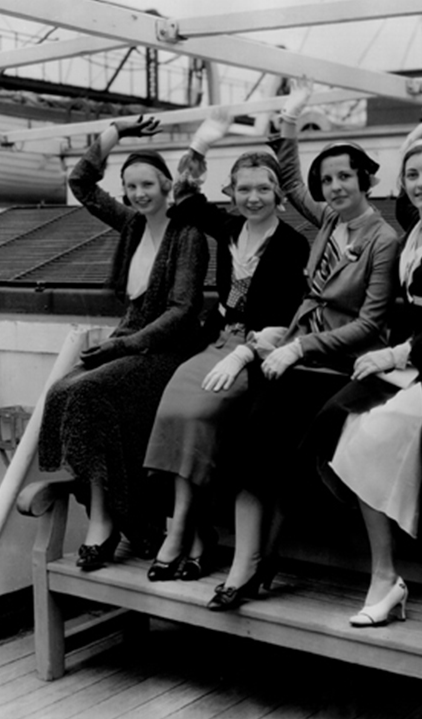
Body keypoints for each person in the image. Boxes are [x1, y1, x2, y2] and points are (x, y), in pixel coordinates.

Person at [206, 79, 400, 612]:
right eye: (328, 179)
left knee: (269, 434)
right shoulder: (330, 221)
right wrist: (290, 120)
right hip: (298, 350)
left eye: (345, 177)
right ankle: (249, 562)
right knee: (254, 436)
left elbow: (372, 324)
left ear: (365, 181)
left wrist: (299, 348)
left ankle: (256, 562)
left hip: (339, 363)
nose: (335, 187)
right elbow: (290, 179)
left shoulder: (383, 239)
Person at [308, 107, 422, 627]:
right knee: (338, 426)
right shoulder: (415, 229)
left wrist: (395, 353)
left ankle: (387, 575)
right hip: (406, 367)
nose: (421, 183)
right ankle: (385, 575)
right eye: (413, 175)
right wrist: (415, 138)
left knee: (372, 436)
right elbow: (403, 202)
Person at [142, 112, 310, 582]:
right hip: (215, 342)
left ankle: (183, 534)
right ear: (231, 194)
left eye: (262, 188)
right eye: (243, 189)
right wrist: (199, 145)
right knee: (174, 408)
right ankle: (188, 533)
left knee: (197, 415)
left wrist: (245, 353)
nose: (253, 197)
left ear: (278, 193)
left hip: (258, 352)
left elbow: (287, 318)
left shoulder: (293, 244)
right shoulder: (231, 228)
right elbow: (184, 199)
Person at [38, 115, 210, 572]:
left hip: (166, 349)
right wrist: (117, 131)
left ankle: (107, 522)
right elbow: (82, 182)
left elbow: (182, 311)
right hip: (127, 340)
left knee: (90, 391)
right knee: (61, 392)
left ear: (168, 184)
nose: (138, 194)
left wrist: (124, 347)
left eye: (147, 185)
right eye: (130, 186)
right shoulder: (133, 224)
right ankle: (103, 514)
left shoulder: (187, 233)